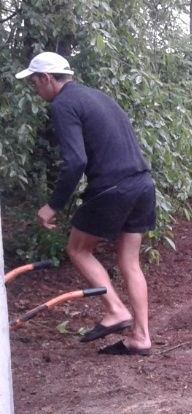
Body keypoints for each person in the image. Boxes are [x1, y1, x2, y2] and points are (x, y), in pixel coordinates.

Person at [16, 52, 156, 356]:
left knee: (78, 249)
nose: (35, 90)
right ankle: (141, 337)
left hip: (114, 188)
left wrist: (52, 205)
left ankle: (117, 310)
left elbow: (75, 161)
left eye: (34, 82)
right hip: (143, 184)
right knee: (129, 262)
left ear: (47, 79)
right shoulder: (97, 97)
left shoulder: (64, 104)